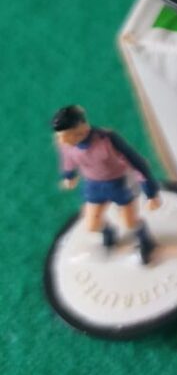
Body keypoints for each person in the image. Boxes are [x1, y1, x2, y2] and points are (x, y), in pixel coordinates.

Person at [52, 105, 160, 263]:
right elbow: (67, 160)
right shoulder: (66, 145)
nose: (62, 141)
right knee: (92, 224)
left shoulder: (107, 140)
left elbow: (136, 161)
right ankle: (110, 234)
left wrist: (150, 192)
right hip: (94, 186)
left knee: (129, 222)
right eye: (60, 136)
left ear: (81, 127)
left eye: (67, 135)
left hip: (119, 183)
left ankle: (146, 241)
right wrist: (68, 175)